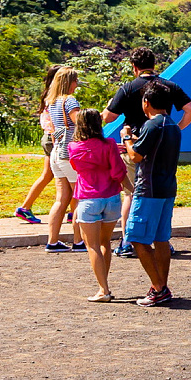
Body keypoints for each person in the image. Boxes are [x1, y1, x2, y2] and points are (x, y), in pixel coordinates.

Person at [103, 49, 191, 258]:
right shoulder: (168, 86)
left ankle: (128, 240)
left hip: (134, 144)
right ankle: (161, 239)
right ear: (154, 64)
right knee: (159, 192)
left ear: (134, 67)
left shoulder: (127, 88)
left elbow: (108, 117)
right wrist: (176, 127)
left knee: (132, 194)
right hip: (162, 144)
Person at [124, 84, 182, 306]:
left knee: (136, 238)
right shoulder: (173, 125)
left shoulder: (152, 124)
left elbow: (136, 156)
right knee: (161, 240)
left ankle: (158, 288)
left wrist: (127, 138)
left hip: (148, 190)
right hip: (167, 188)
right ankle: (161, 286)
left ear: (146, 102)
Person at [68, 109, 127, 301]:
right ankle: (104, 284)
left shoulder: (73, 147)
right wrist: (132, 189)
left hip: (88, 198)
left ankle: (104, 289)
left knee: (91, 245)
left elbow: (77, 169)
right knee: (105, 243)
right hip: (111, 197)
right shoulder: (109, 144)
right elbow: (119, 171)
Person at [10, 64, 61, 225]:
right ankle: (70, 211)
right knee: (64, 177)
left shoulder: (49, 95)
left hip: (47, 137)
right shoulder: (56, 97)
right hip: (53, 138)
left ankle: (25, 207)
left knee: (48, 175)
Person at [40, 65, 83, 252]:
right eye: (75, 81)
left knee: (61, 198)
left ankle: (52, 240)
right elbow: (80, 122)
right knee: (80, 198)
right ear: (69, 82)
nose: (77, 84)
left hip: (56, 153)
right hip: (70, 154)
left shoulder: (52, 102)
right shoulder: (70, 101)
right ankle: (79, 240)